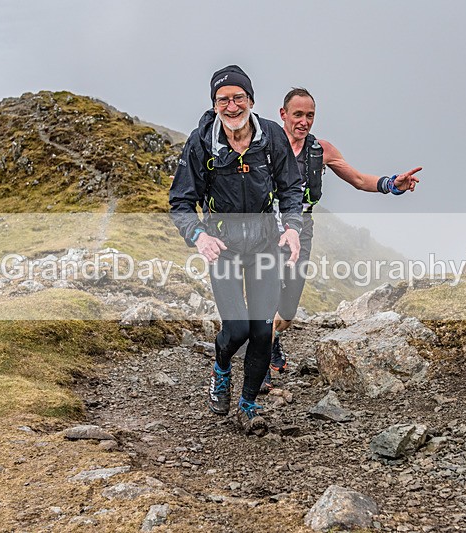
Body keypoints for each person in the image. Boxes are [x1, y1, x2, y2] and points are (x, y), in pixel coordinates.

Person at [169, 65, 303, 436]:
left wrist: (292, 228)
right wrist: (199, 235)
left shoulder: (271, 137)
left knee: (262, 331)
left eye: (238, 98)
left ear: (251, 100)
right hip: (223, 248)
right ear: (214, 106)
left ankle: (247, 405)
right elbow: (181, 201)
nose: (231, 106)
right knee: (238, 328)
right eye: (222, 99)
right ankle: (222, 367)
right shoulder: (201, 142)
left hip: (264, 245)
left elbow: (291, 188)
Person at [261, 87, 422, 391]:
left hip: (302, 231)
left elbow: (360, 181)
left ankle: (272, 340)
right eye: (298, 115)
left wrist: (393, 184)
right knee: (266, 301)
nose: (304, 121)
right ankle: (257, 370)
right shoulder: (264, 147)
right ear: (283, 115)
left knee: (288, 313)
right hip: (268, 230)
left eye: (310, 115)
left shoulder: (321, 150)